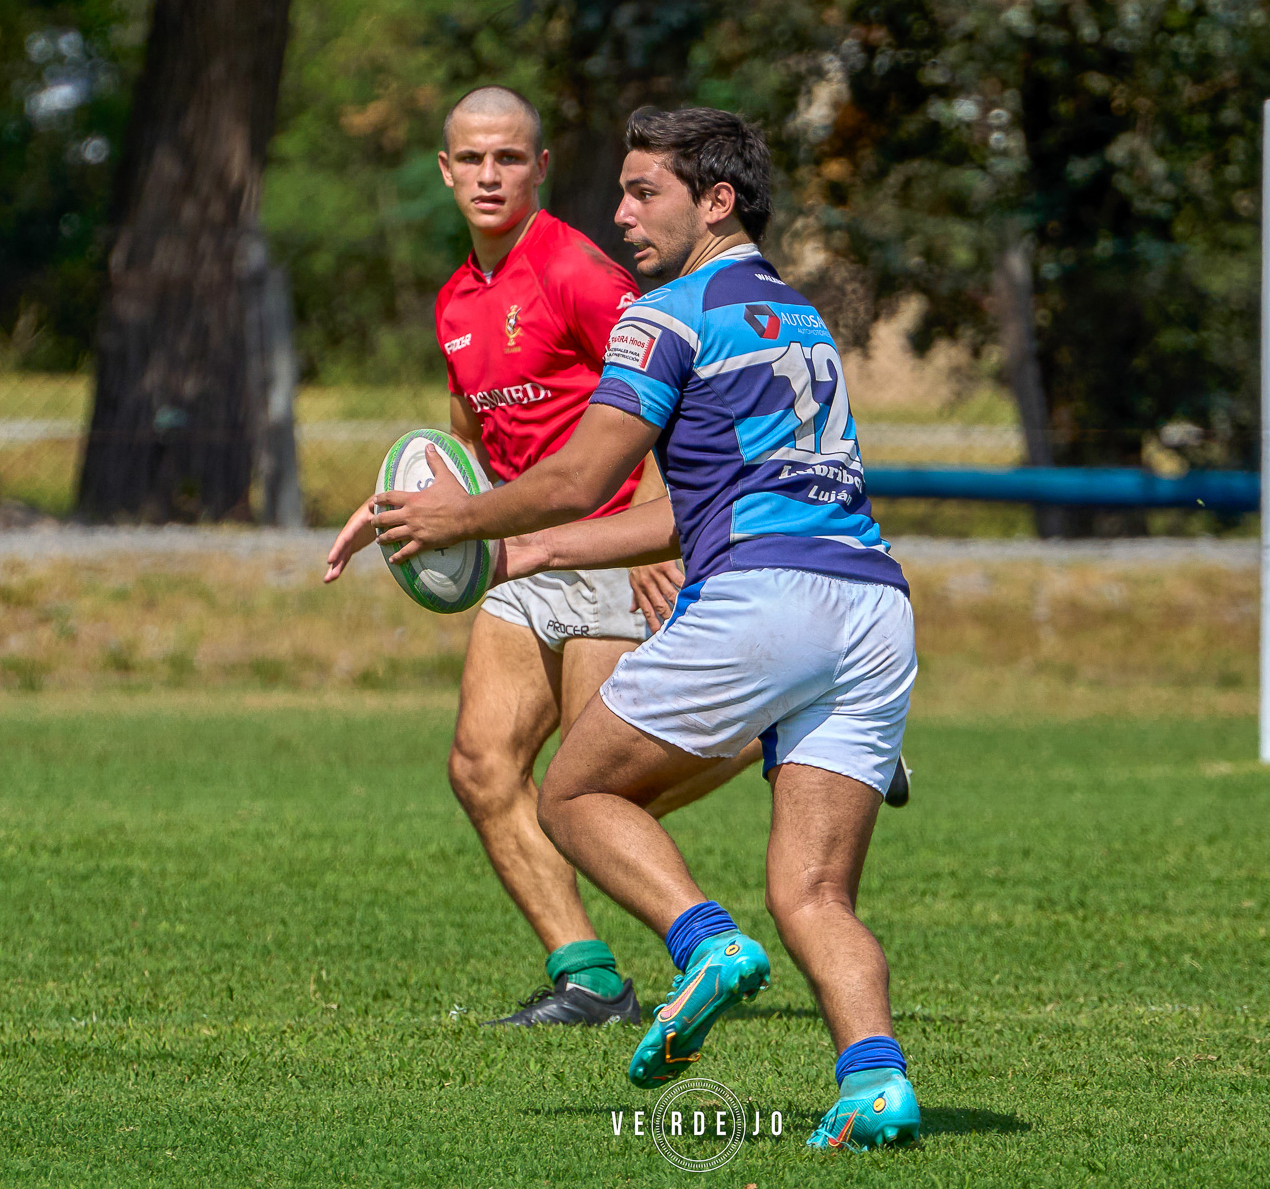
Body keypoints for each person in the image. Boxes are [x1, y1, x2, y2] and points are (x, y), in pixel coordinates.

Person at [371, 106, 923, 1150]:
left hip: (770, 595)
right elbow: (685, 504)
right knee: (812, 889)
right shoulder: (795, 313)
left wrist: (463, 517)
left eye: (643, 192)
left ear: (715, 201)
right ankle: (875, 1078)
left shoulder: (666, 314)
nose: (620, 213)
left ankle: (704, 944)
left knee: (574, 792)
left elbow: (581, 475)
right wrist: (526, 553)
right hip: (876, 606)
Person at [324, 86, 752, 1028]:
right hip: (527, 558)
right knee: (484, 766)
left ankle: (779, 730)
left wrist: (652, 523)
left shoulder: (582, 272)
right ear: (444, 170)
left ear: (540, 168)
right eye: (471, 160)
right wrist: (409, 505)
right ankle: (590, 978)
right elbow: (465, 444)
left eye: (508, 159)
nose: (488, 175)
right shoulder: (454, 301)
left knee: (601, 783)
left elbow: (663, 391)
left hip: (607, 542)